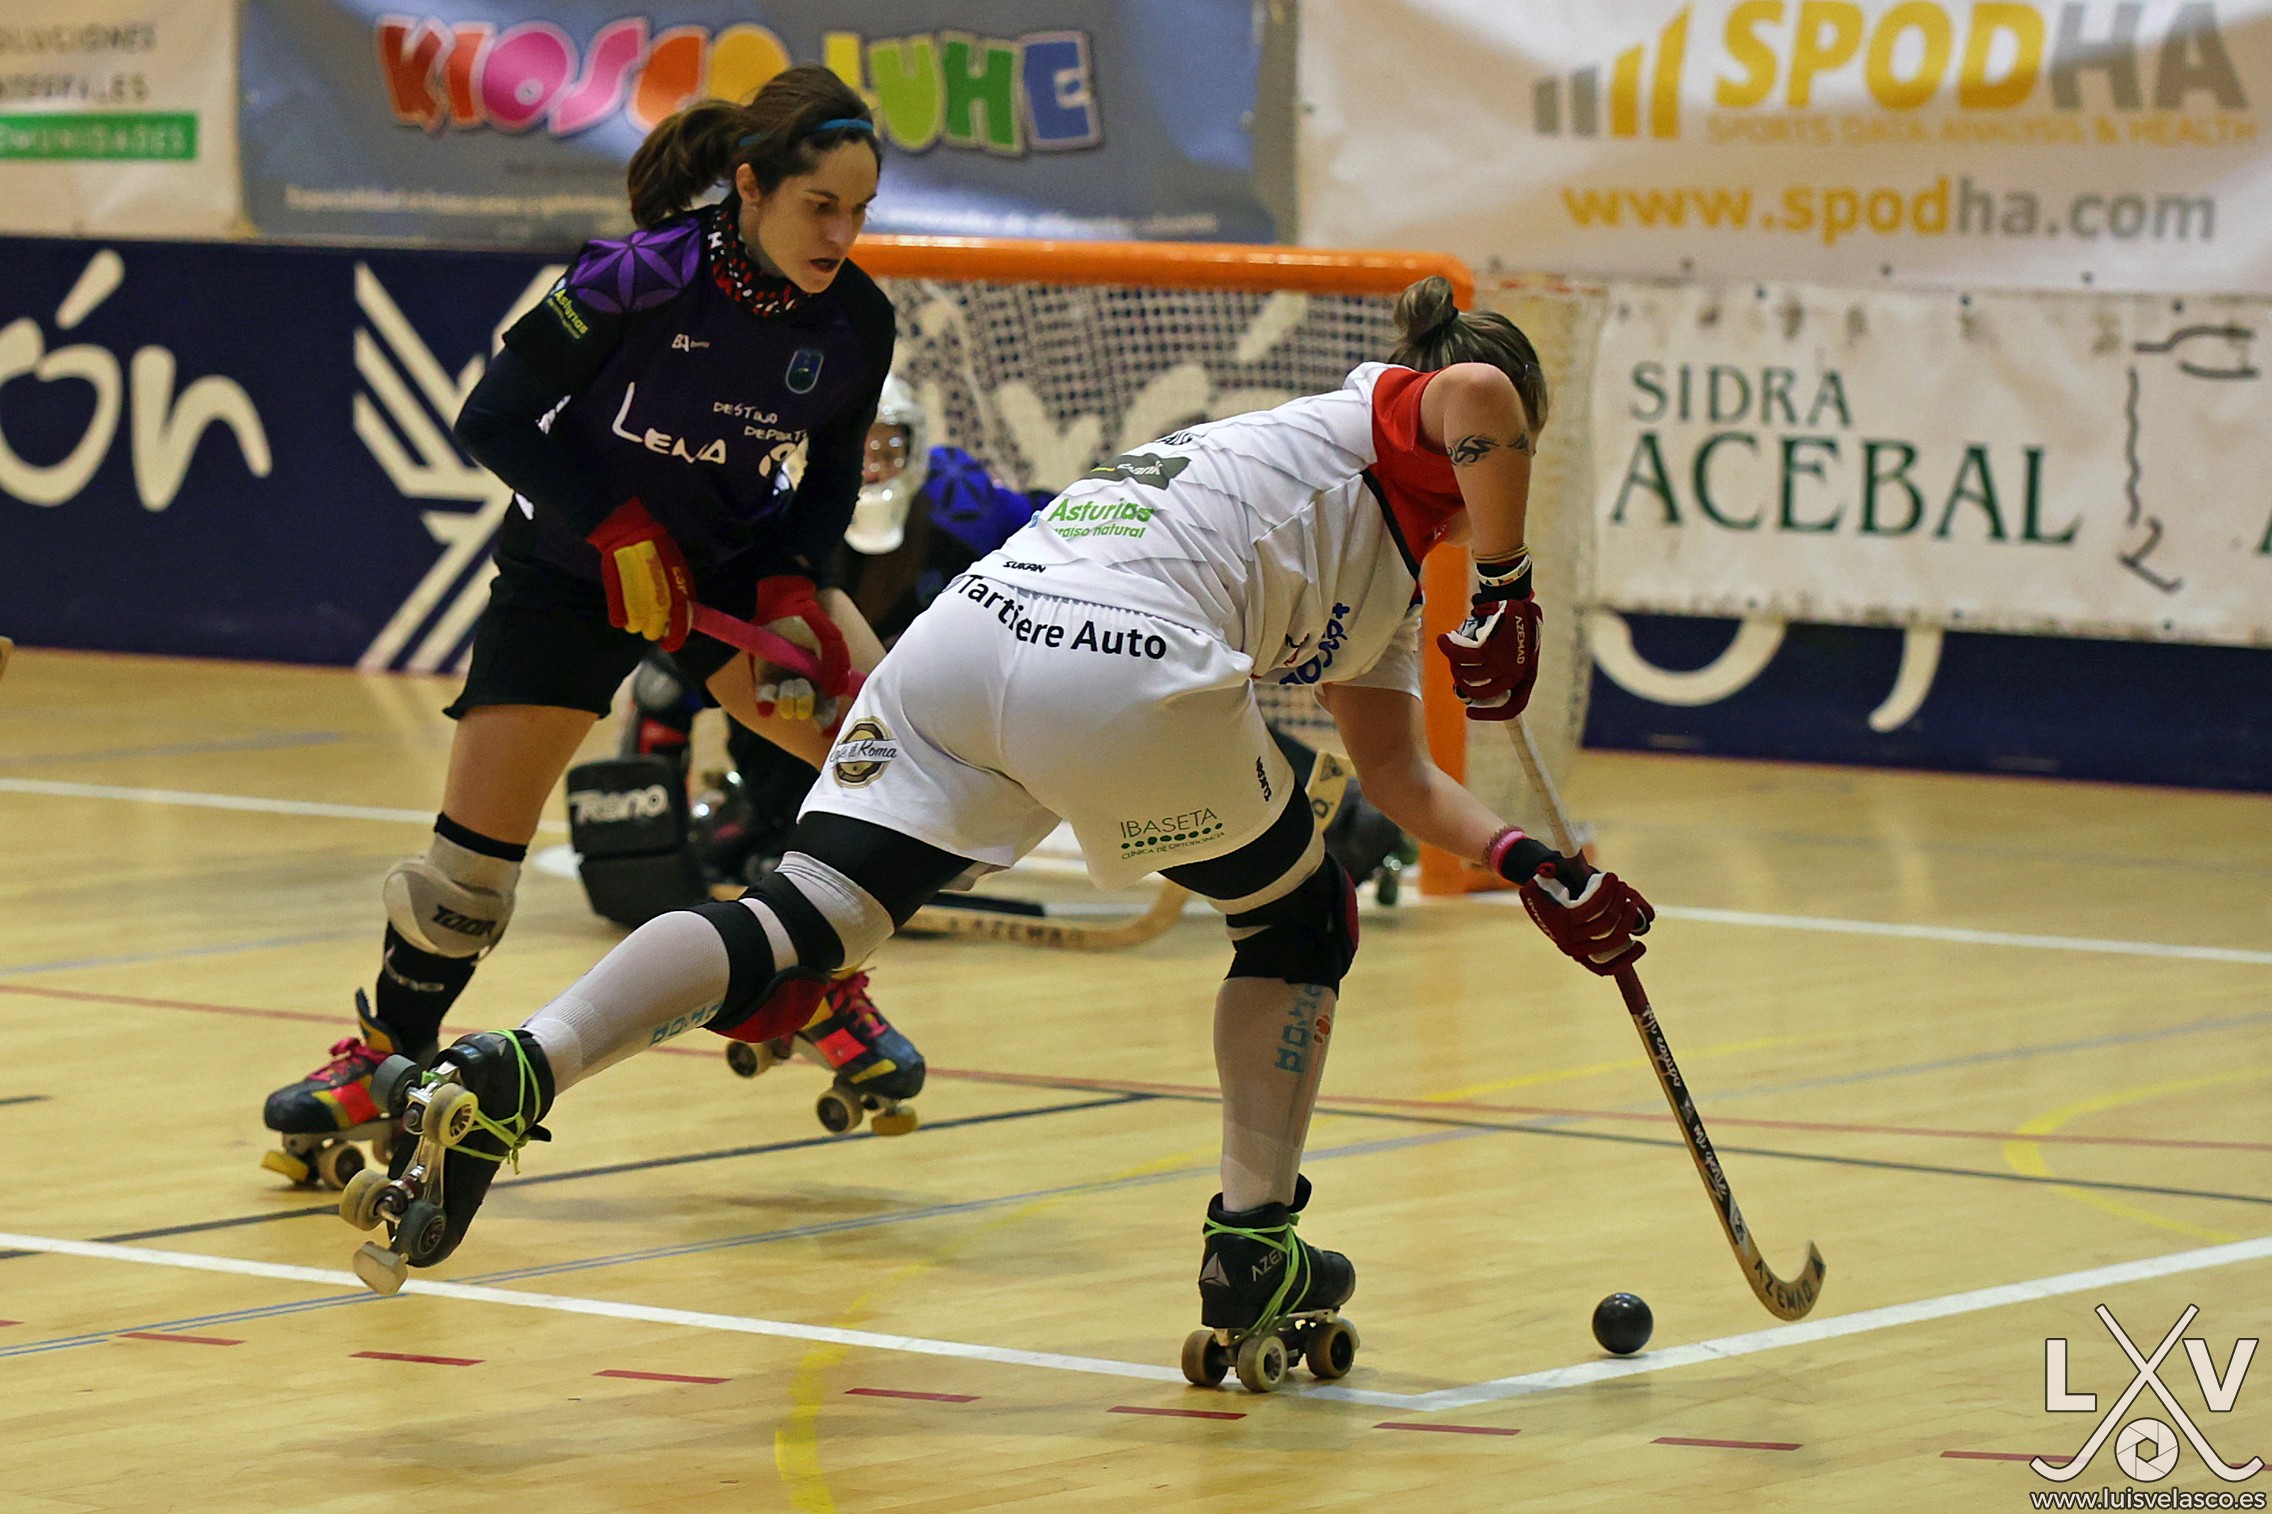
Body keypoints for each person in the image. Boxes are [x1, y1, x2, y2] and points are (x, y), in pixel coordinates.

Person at [335, 277, 1656, 1393]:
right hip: (1119, 656)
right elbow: (1478, 398)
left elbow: (1404, 779)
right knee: (1302, 915)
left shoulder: (1377, 559)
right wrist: (1507, 582)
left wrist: (1534, 865)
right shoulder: (1394, 415)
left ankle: (517, 1066)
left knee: (801, 921)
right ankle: (1254, 1240)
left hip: (970, 641)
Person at [262, 65, 920, 1187]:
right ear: (750, 186)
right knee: (463, 885)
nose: (841, 234)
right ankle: (384, 1057)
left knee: (885, 771)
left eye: (859, 210)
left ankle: (815, 987)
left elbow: (823, 484)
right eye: (820, 206)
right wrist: (613, 527)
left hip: (733, 569)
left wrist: (792, 585)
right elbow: (493, 418)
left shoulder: (858, 319)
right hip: (575, 567)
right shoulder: (636, 276)